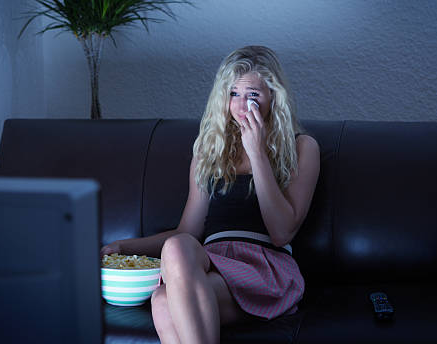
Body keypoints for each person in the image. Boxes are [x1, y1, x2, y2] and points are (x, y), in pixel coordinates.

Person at [100, 45, 320, 344]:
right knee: (166, 286)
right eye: (234, 94)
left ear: (273, 96)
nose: (242, 106)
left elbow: (282, 232)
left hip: (264, 267)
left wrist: (257, 153)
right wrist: (123, 246)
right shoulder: (209, 151)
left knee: (166, 299)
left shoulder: (302, 147)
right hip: (211, 262)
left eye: (253, 95)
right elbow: (187, 231)